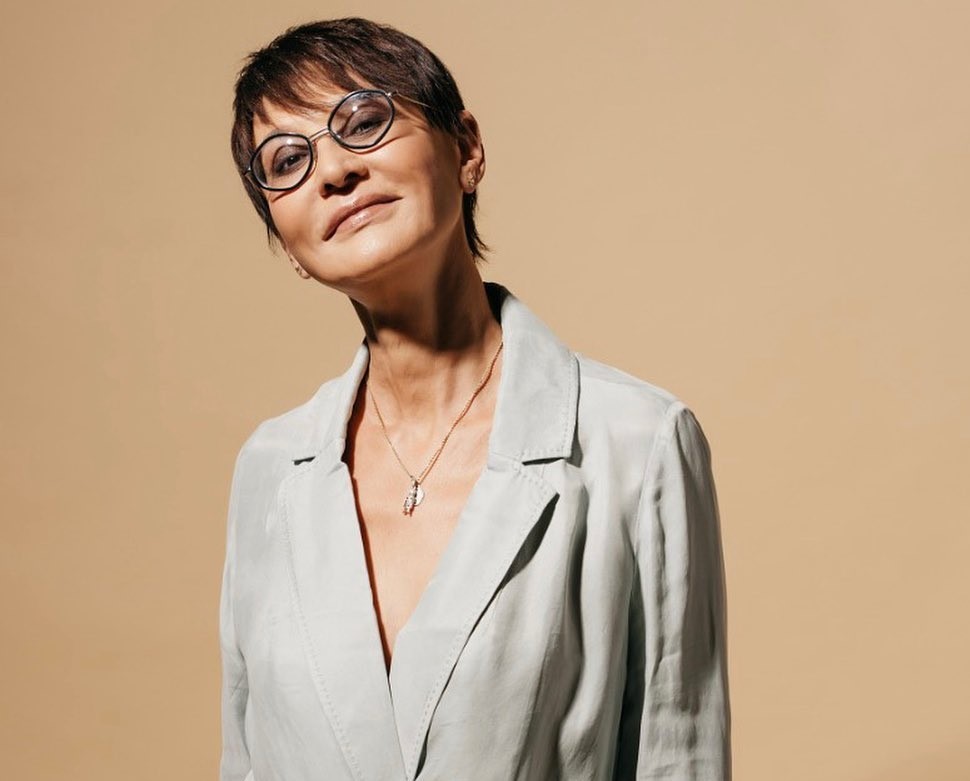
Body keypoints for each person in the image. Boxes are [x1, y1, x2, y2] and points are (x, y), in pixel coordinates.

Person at [220, 17, 730, 781]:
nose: (333, 171)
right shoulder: (269, 468)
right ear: (285, 241)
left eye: (364, 120)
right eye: (288, 160)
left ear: (466, 148)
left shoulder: (639, 441)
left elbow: (677, 757)